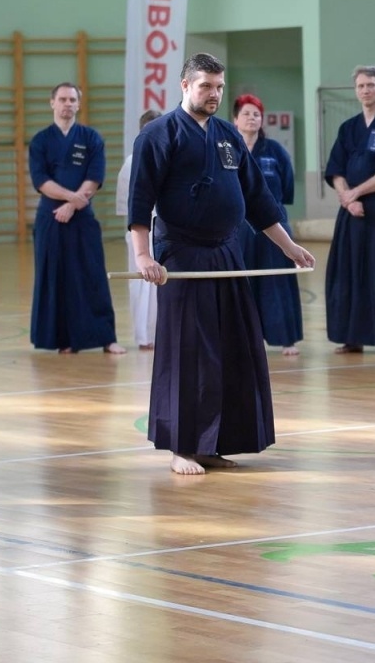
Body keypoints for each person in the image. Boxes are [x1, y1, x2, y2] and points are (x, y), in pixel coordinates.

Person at [129, 53, 314, 475]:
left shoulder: (228, 134)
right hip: (181, 255)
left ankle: (215, 443)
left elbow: (258, 198)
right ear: (184, 86)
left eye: (219, 87)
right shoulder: (158, 135)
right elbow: (140, 201)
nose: (213, 94)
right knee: (188, 350)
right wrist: (143, 255)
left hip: (227, 254)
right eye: (205, 86)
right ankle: (182, 447)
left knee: (231, 347)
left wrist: (288, 246)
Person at [28, 83, 124, 355]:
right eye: (62, 99)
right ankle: (64, 339)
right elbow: (41, 181)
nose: (67, 104)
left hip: (83, 219)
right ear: (52, 103)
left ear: (78, 104)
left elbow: (94, 177)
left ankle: (106, 338)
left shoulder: (91, 138)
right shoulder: (40, 141)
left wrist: (72, 205)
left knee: (92, 275)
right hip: (50, 218)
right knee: (55, 277)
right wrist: (71, 198)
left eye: (72, 99)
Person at [324, 65, 375, 354]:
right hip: (351, 214)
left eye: (371, 85)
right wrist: (347, 198)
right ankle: (351, 336)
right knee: (349, 273)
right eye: (361, 86)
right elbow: (336, 168)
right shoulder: (348, 127)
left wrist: (356, 193)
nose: (366, 90)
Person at [233, 93, 304, 355]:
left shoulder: (275, 151)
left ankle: (286, 339)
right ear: (235, 119)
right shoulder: (227, 150)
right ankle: (243, 338)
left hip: (274, 224)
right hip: (238, 227)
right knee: (241, 281)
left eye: (256, 114)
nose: (251, 118)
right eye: (246, 113)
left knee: (278, 280)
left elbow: (287, 187)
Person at [114, 110, 162, 349]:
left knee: (162, 284)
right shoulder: (132, 163)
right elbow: (128, 207)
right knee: (141, 284)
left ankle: (160, 333)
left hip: (166, 231)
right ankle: (144, 336)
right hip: (140, 230)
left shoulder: (169, 158)